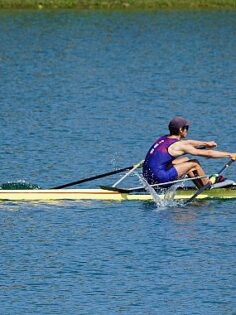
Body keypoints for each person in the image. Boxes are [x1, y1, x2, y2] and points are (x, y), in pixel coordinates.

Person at [143, 116, 236, 188]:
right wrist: (230, 154)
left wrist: (206, 144)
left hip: (149, 177)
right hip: (159, 178)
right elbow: (208, 154)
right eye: (186, 127)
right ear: (181, 130)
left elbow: (189, 142)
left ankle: (200, 185)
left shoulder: (164, 138)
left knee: (185, 159)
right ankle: (206, 185)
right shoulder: (179, 146)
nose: (187, 130)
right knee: (194, 164)